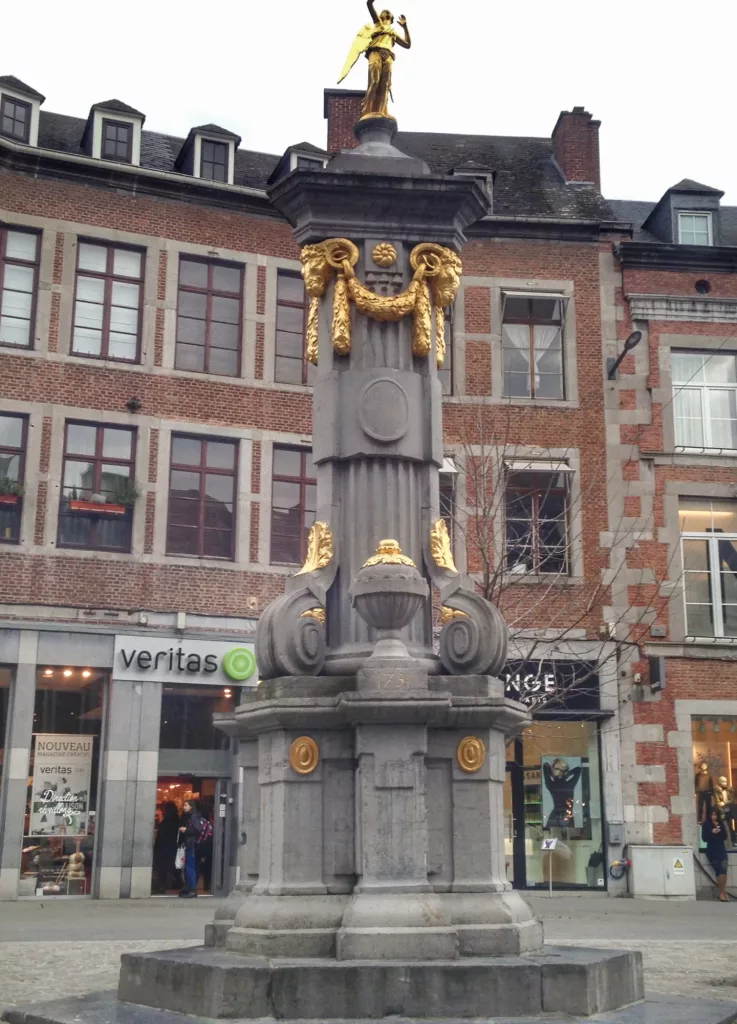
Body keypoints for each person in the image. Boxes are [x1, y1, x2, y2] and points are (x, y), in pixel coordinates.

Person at [702, 807, 730, 902]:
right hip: (712, 849)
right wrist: (712, 832)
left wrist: (720, 830)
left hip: (721, 848)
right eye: (712, 815)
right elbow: (704, 838)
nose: (714, 817)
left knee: (724, 870)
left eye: (715, 815)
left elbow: (725, 836)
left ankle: (723, 891)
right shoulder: (706, 824)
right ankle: (722, 893)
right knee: (718, 870)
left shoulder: (721, 823)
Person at [178, 799, 204, 898]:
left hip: (192, 844)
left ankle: (192, 889)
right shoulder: (191, 816)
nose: (184, 807)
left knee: (190, 866)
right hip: (190, 843)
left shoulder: (193, 816)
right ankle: (189, 887)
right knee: (189, 866)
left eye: (186, 805)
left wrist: (186, 830)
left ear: (191, 807)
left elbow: (197, 830)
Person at [152, 802, 180, 894]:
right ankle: (173, 884)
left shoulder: (166, 822)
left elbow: (161, 837)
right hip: (172, 847)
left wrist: (156, 846)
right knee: (170, 867)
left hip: (163, 848)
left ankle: (161, 886)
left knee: (161, 868)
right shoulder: (177, 820)